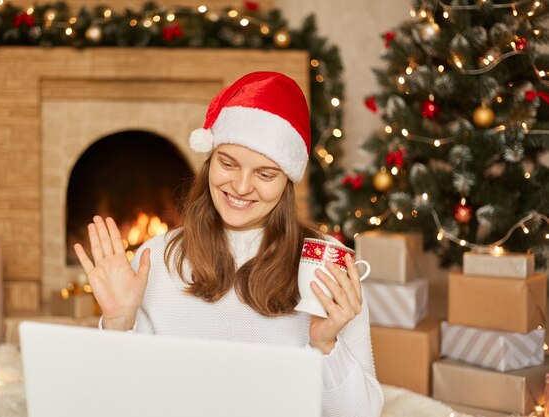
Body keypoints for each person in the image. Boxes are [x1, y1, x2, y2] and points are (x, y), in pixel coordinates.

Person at [74, 71, 384, 417]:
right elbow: (118, 400)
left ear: (287, 181)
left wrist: (326, 345)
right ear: (209, 161)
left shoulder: (325, 262)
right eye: (228, 164)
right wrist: (120, 322)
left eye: (265, 174)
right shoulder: (156, 258)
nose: (240, 186)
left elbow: (361, 414)